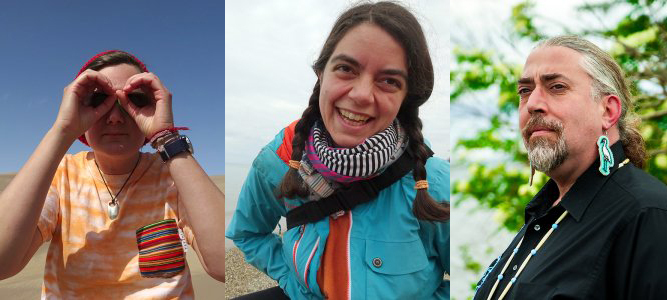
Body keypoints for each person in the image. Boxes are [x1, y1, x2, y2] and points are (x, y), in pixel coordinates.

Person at [226, 2, 450, 299]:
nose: (360, 95)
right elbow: (248, 233)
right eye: (346, 69)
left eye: (389, 81)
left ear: (405, 97)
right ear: (321, 73)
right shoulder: (278, 162)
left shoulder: (433, 183)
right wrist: (294, 284)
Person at [0, 50, 225, 298]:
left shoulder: (172, 176)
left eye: (135, 101)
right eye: (98, 101)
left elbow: (222, 264)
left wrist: (165, 136)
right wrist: (61, 131)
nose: (116, 117)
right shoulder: (62, 175)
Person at [472, 35, 667, 300]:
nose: (533, 103)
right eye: (524, 91)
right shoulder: (545, 211)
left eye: (556, 87)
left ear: (608, 111)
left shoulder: (649, 213)